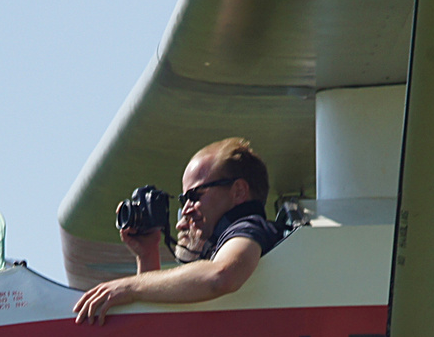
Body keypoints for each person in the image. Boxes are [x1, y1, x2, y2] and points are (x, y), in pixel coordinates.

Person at [73, 137, 285, 324]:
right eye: (184, 200)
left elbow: (221, 276)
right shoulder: (231, 240)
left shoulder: (248, 227)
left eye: (195, 196)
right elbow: (164, 320)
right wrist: (147, 255)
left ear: (238, 191)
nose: (185, 211)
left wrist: (129, 288)